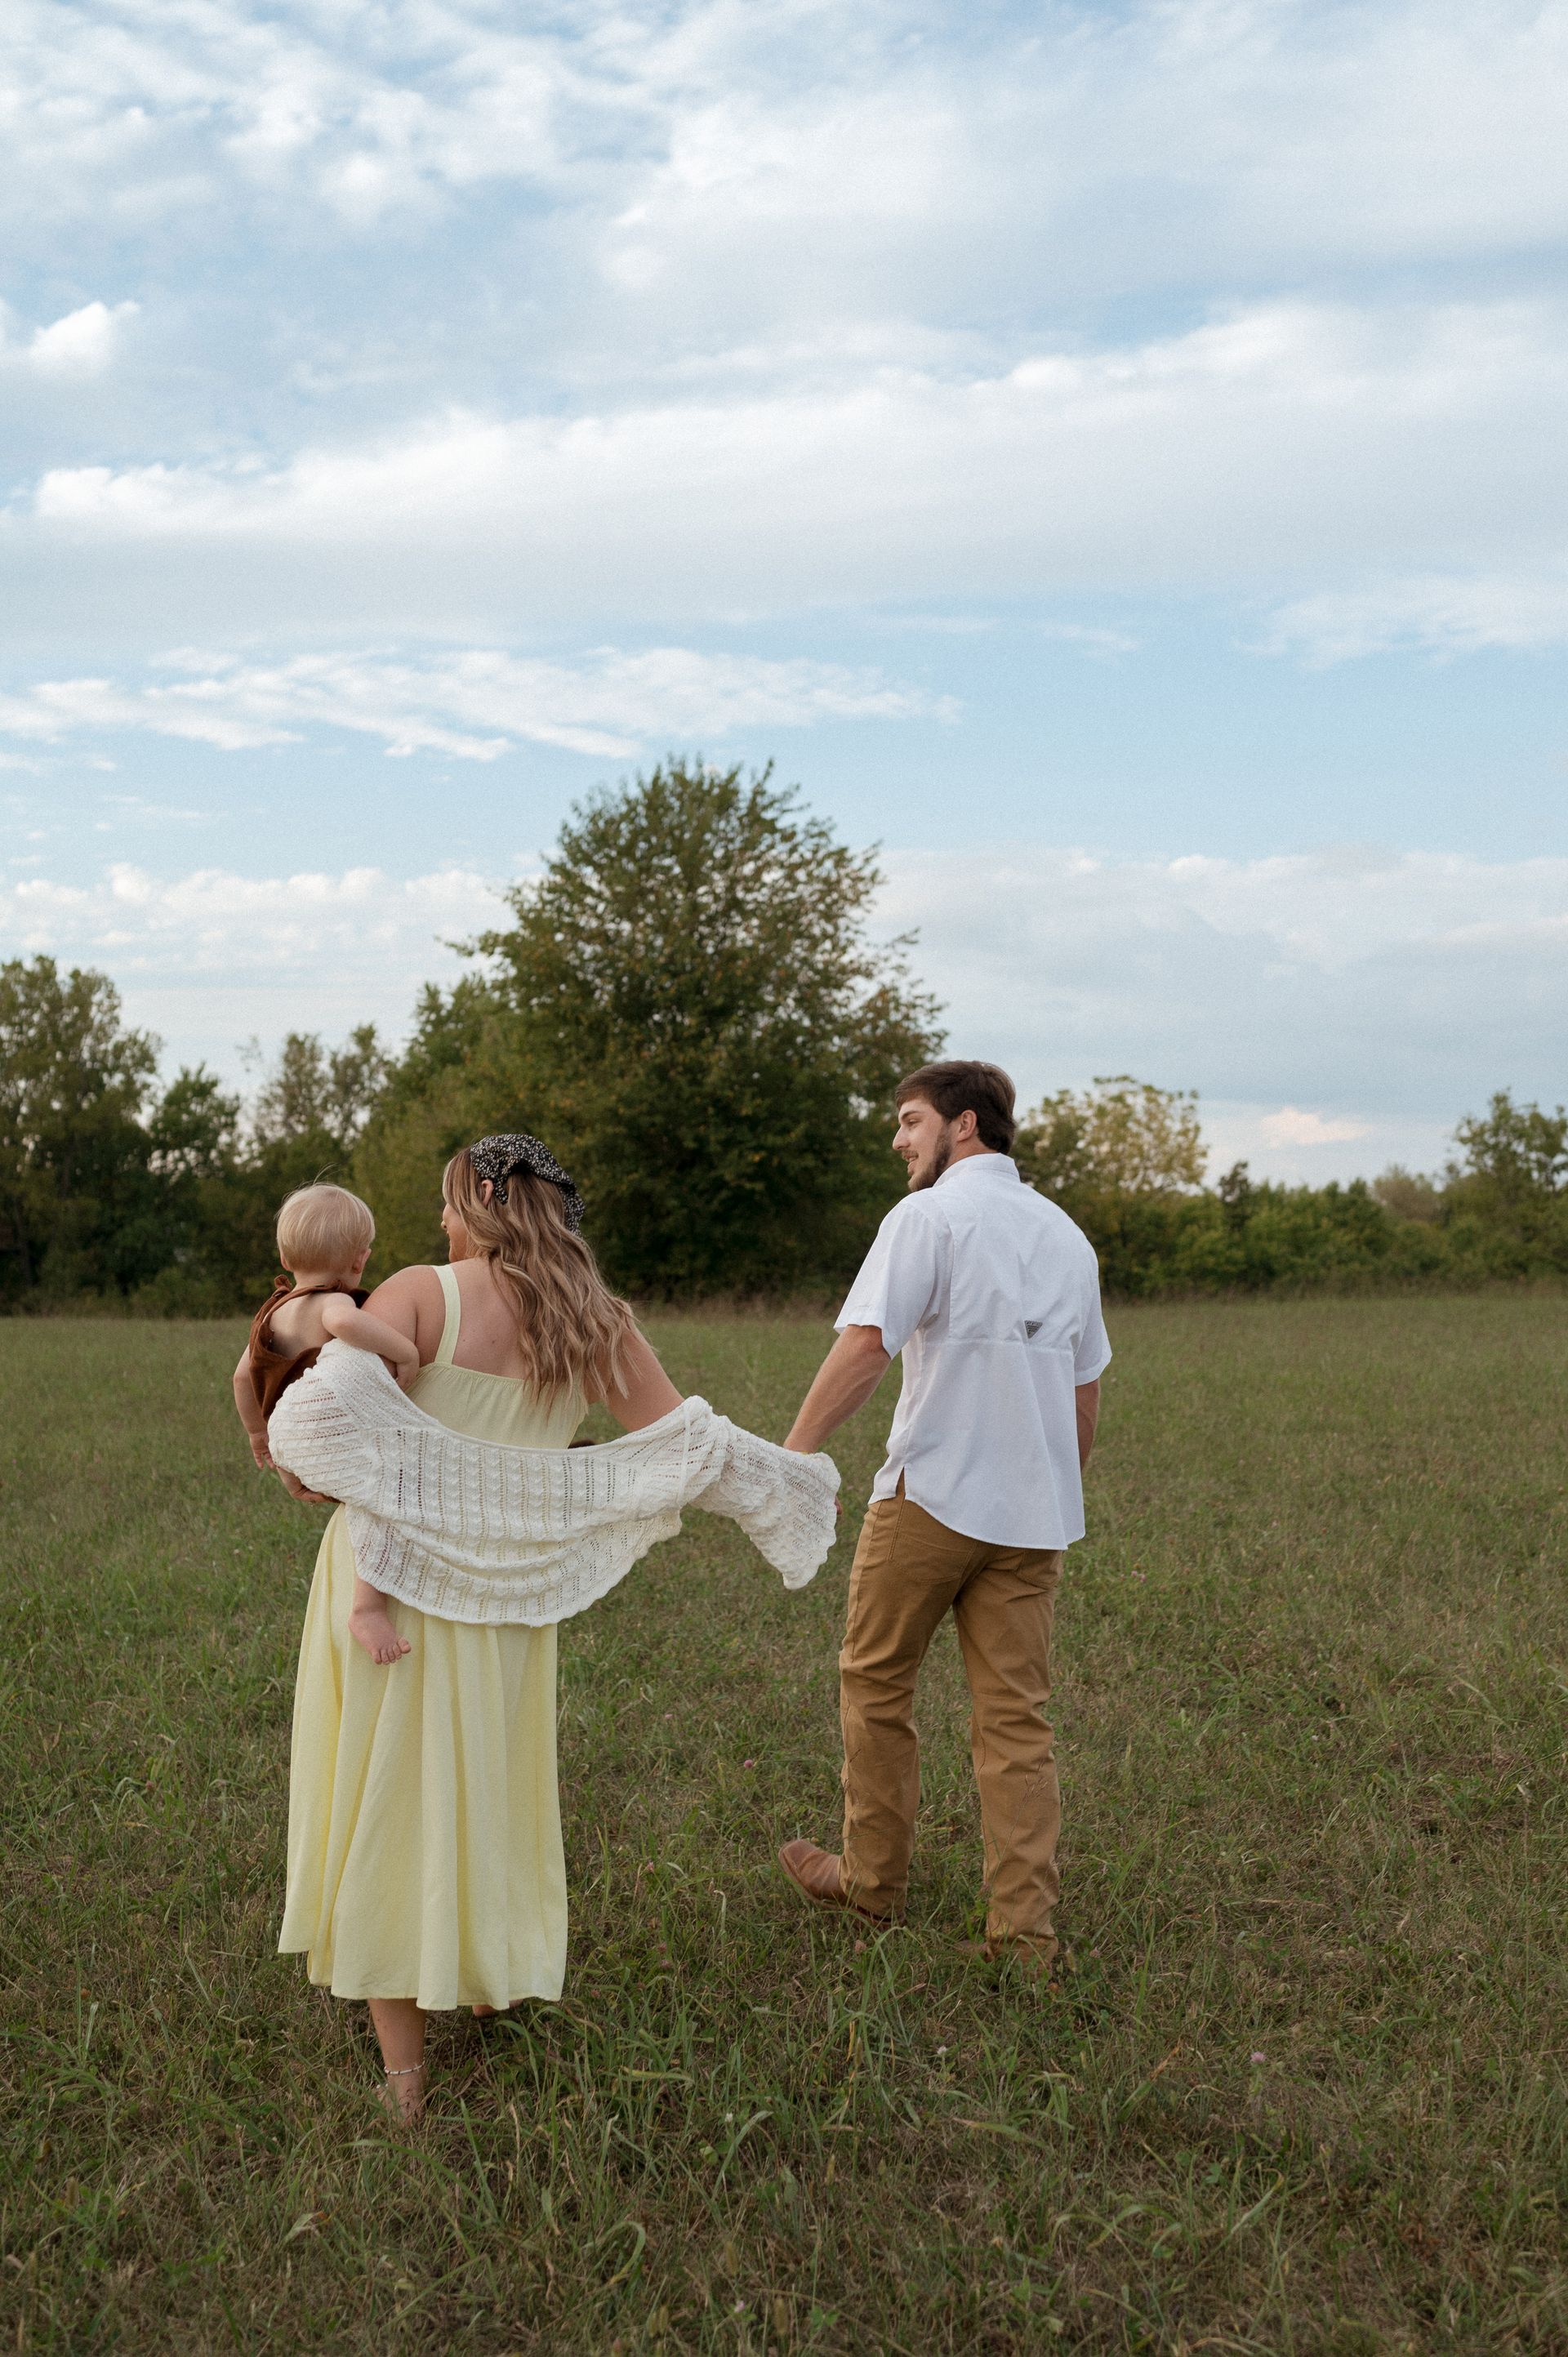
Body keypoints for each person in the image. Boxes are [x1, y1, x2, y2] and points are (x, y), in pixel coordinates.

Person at [274, 1132, 835, 2123]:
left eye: (450, 1199)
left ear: (485, 1199)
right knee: (482, 1791)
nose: (441, 1219)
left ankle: (405, 2084)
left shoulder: (420, 1290)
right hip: (512, 1604)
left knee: (390, 1803)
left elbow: (331, 1410)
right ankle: (486, 1978)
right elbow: (683, 1447)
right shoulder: (594, 1318)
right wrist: (779, 1488)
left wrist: (316, 1447)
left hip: (391, 1589)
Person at [776, 1060, 1110, 1973]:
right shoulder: (1066, 1236)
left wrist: (794, 1453)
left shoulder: (926, 1216)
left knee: (876, 1685)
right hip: (1034, 1514)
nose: (900, 1139)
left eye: (911, 1121)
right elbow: (1084, 1395)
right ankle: (1025, 1938)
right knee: (1017, 1723)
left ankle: (872, 1886)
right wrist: (1049, 1490)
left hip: (931, 1500)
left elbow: (868, 1346)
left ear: (964, 1126)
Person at [233, 1182, 421, 1667]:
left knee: (367, 1491)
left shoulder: (272, 1313)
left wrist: (265, 1443)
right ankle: (368, 1607)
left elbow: (241, 1378)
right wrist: (404, 1351)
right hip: (329, 1436)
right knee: (386, 1492)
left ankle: (297, 1480)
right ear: (360, 1261)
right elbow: (345, 1324)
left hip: (288, 1439)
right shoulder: (330, 1302)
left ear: (283, 1252)